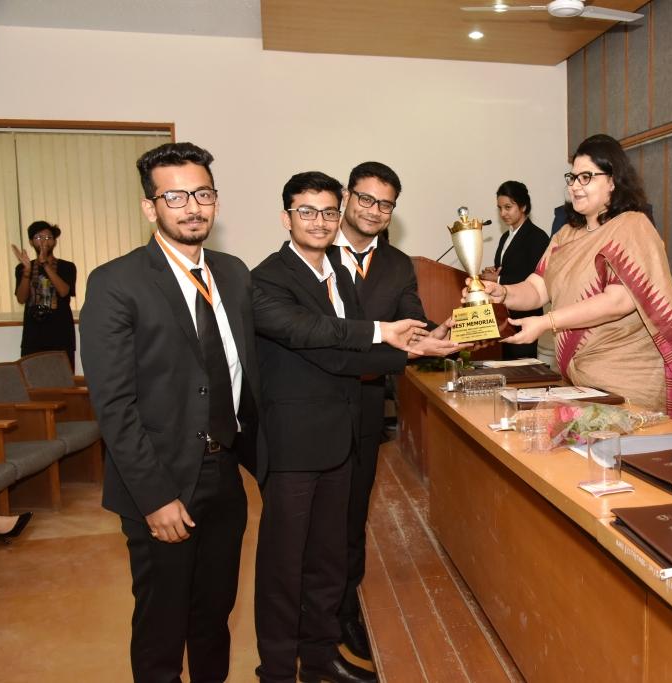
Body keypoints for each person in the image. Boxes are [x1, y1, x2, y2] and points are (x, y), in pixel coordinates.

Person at [80, 143, 424, 683]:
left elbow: (279, 353)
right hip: (164, 478)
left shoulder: (233, 274)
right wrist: (155, 497)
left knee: (213, 613)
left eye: (202, 194)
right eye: (175, 197)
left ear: (216, 201)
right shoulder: (116, 282)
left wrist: (414, 346)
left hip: (225, 470)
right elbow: (114, 405)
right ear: (150, 207)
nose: (192, 207)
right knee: (162, 621)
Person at [253, 171, 399, 683]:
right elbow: (310, 335)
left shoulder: (340, 269)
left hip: (341, 440)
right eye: (307, 211)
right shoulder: (267, 278)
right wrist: (386, 334)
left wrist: (417, 347)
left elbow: (345, 356)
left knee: (328, 560)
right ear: (286, 217)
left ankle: (319, 660)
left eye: (328, 212)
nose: (319, 221)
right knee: (284, 568)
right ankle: (276, 670)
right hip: (293, 447)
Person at [474, 135, 672, 422]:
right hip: (579, 385)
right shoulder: (566, 234)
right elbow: (537, 287)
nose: (575, 186)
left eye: (586, 177)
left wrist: (547, 322)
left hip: (628, 388)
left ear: (613, 181)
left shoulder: (633, 226)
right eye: (572, 178)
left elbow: (618, 301)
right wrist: (504, 292)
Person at [333, 161, 462, 661]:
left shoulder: (397, 264)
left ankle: (346, 609)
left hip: (367, 401)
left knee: (353, 513)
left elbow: (411, 319)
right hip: (314, 402)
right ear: (347, 196)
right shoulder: (316, 248)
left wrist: (435, 334)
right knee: (312, 521)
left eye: (385, 204)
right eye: (366, 199)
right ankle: (312, 618)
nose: (374, 210)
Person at [480, 180, 550, 360]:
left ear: (523, 206)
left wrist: (498, 280)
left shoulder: (537, 237)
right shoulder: (505, 237)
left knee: (522, 369)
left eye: (508, 207)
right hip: (505, 317)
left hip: (526, 317)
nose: (503, 213)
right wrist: (495, 273)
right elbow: (509, 268)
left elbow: (534, 277)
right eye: (500, 208)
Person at [11, 221, 77, 368]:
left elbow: (64, 291)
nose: (43, 241)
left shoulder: (67, 266)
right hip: (33, 335)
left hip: (61, 333)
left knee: (63, 378)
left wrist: (45, 264)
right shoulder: (22, 267)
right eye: (38, 237)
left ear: (54, 242)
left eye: (48, 237)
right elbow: (21, 298)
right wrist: (27, 271)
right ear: (31, 242)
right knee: (32, 377)